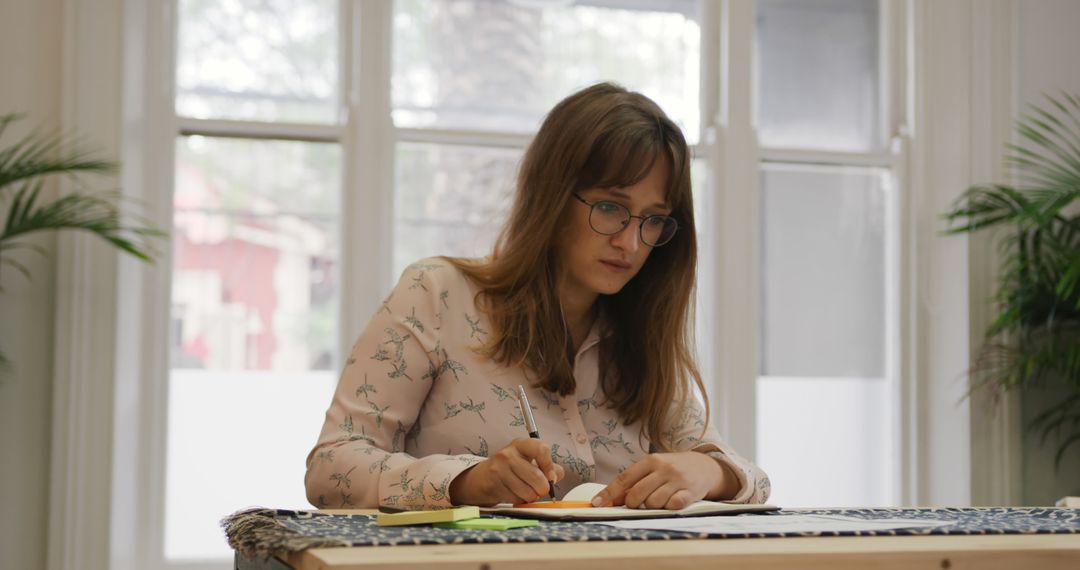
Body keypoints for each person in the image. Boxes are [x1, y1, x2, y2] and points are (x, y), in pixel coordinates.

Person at [305, 82, 770, 510]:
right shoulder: (437, 295)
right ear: (551, 196)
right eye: (611, 208)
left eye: (652, 220)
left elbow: (753, 480)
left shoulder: (639, 334)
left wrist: (709, 471)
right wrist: (465, 481)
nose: (631, 243)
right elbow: (331, 468)